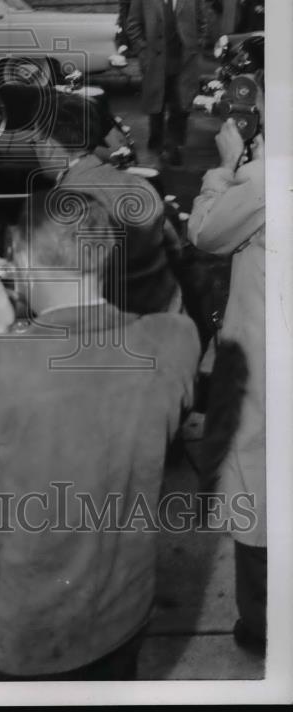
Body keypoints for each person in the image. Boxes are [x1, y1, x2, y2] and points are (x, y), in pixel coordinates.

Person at [0, 190, 200, 680]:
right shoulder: (175, 338)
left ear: (23, 256)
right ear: (105, 251)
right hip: (124, 606)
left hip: (30, 626)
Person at [188, 111, 266, 655]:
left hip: (267, 359)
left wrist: (224, 168)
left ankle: (262, 623)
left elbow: (207, 233)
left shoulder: (265, 180)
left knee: (258, 484)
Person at [42, 93, 182, 315]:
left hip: (117, 327)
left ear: (49, 146)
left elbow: (66, 285)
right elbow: (175, 249)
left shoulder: (65, 202)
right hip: (168, 315)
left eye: (35, 142)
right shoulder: (138, 183)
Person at [126, 0, 208, 165]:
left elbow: (202, 21)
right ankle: (156, 142)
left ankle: (174, 147)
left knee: (181, 106)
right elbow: (132, 24)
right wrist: (143, 49)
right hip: (155, 61)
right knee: (157, 105)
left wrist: (197, 43)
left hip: (184, 60)